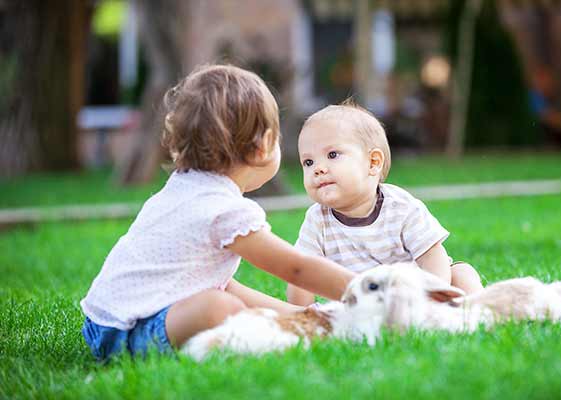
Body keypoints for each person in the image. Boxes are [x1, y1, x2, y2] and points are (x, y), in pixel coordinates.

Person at [80, 64, 355, 361]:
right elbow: (296, 268)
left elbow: (225, 284)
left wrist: (301, 315)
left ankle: (288, 325)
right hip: (133, 331)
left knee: (222, 298)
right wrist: (364, 289)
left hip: (103, 324)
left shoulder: (181, 189)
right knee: (221, 308)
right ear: (263, 145)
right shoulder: (225, 210)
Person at [287, 101, 483, 306]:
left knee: (461, 274)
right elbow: (302, 272)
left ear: (373, 163)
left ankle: (479, 312)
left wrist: (431, 301)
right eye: (308, 162)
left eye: (332, 155)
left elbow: (432, 258)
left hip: (412, 296)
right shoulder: (317, 220)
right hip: (358, 304)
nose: (318, 168)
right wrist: (303, 315)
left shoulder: (401, 208)